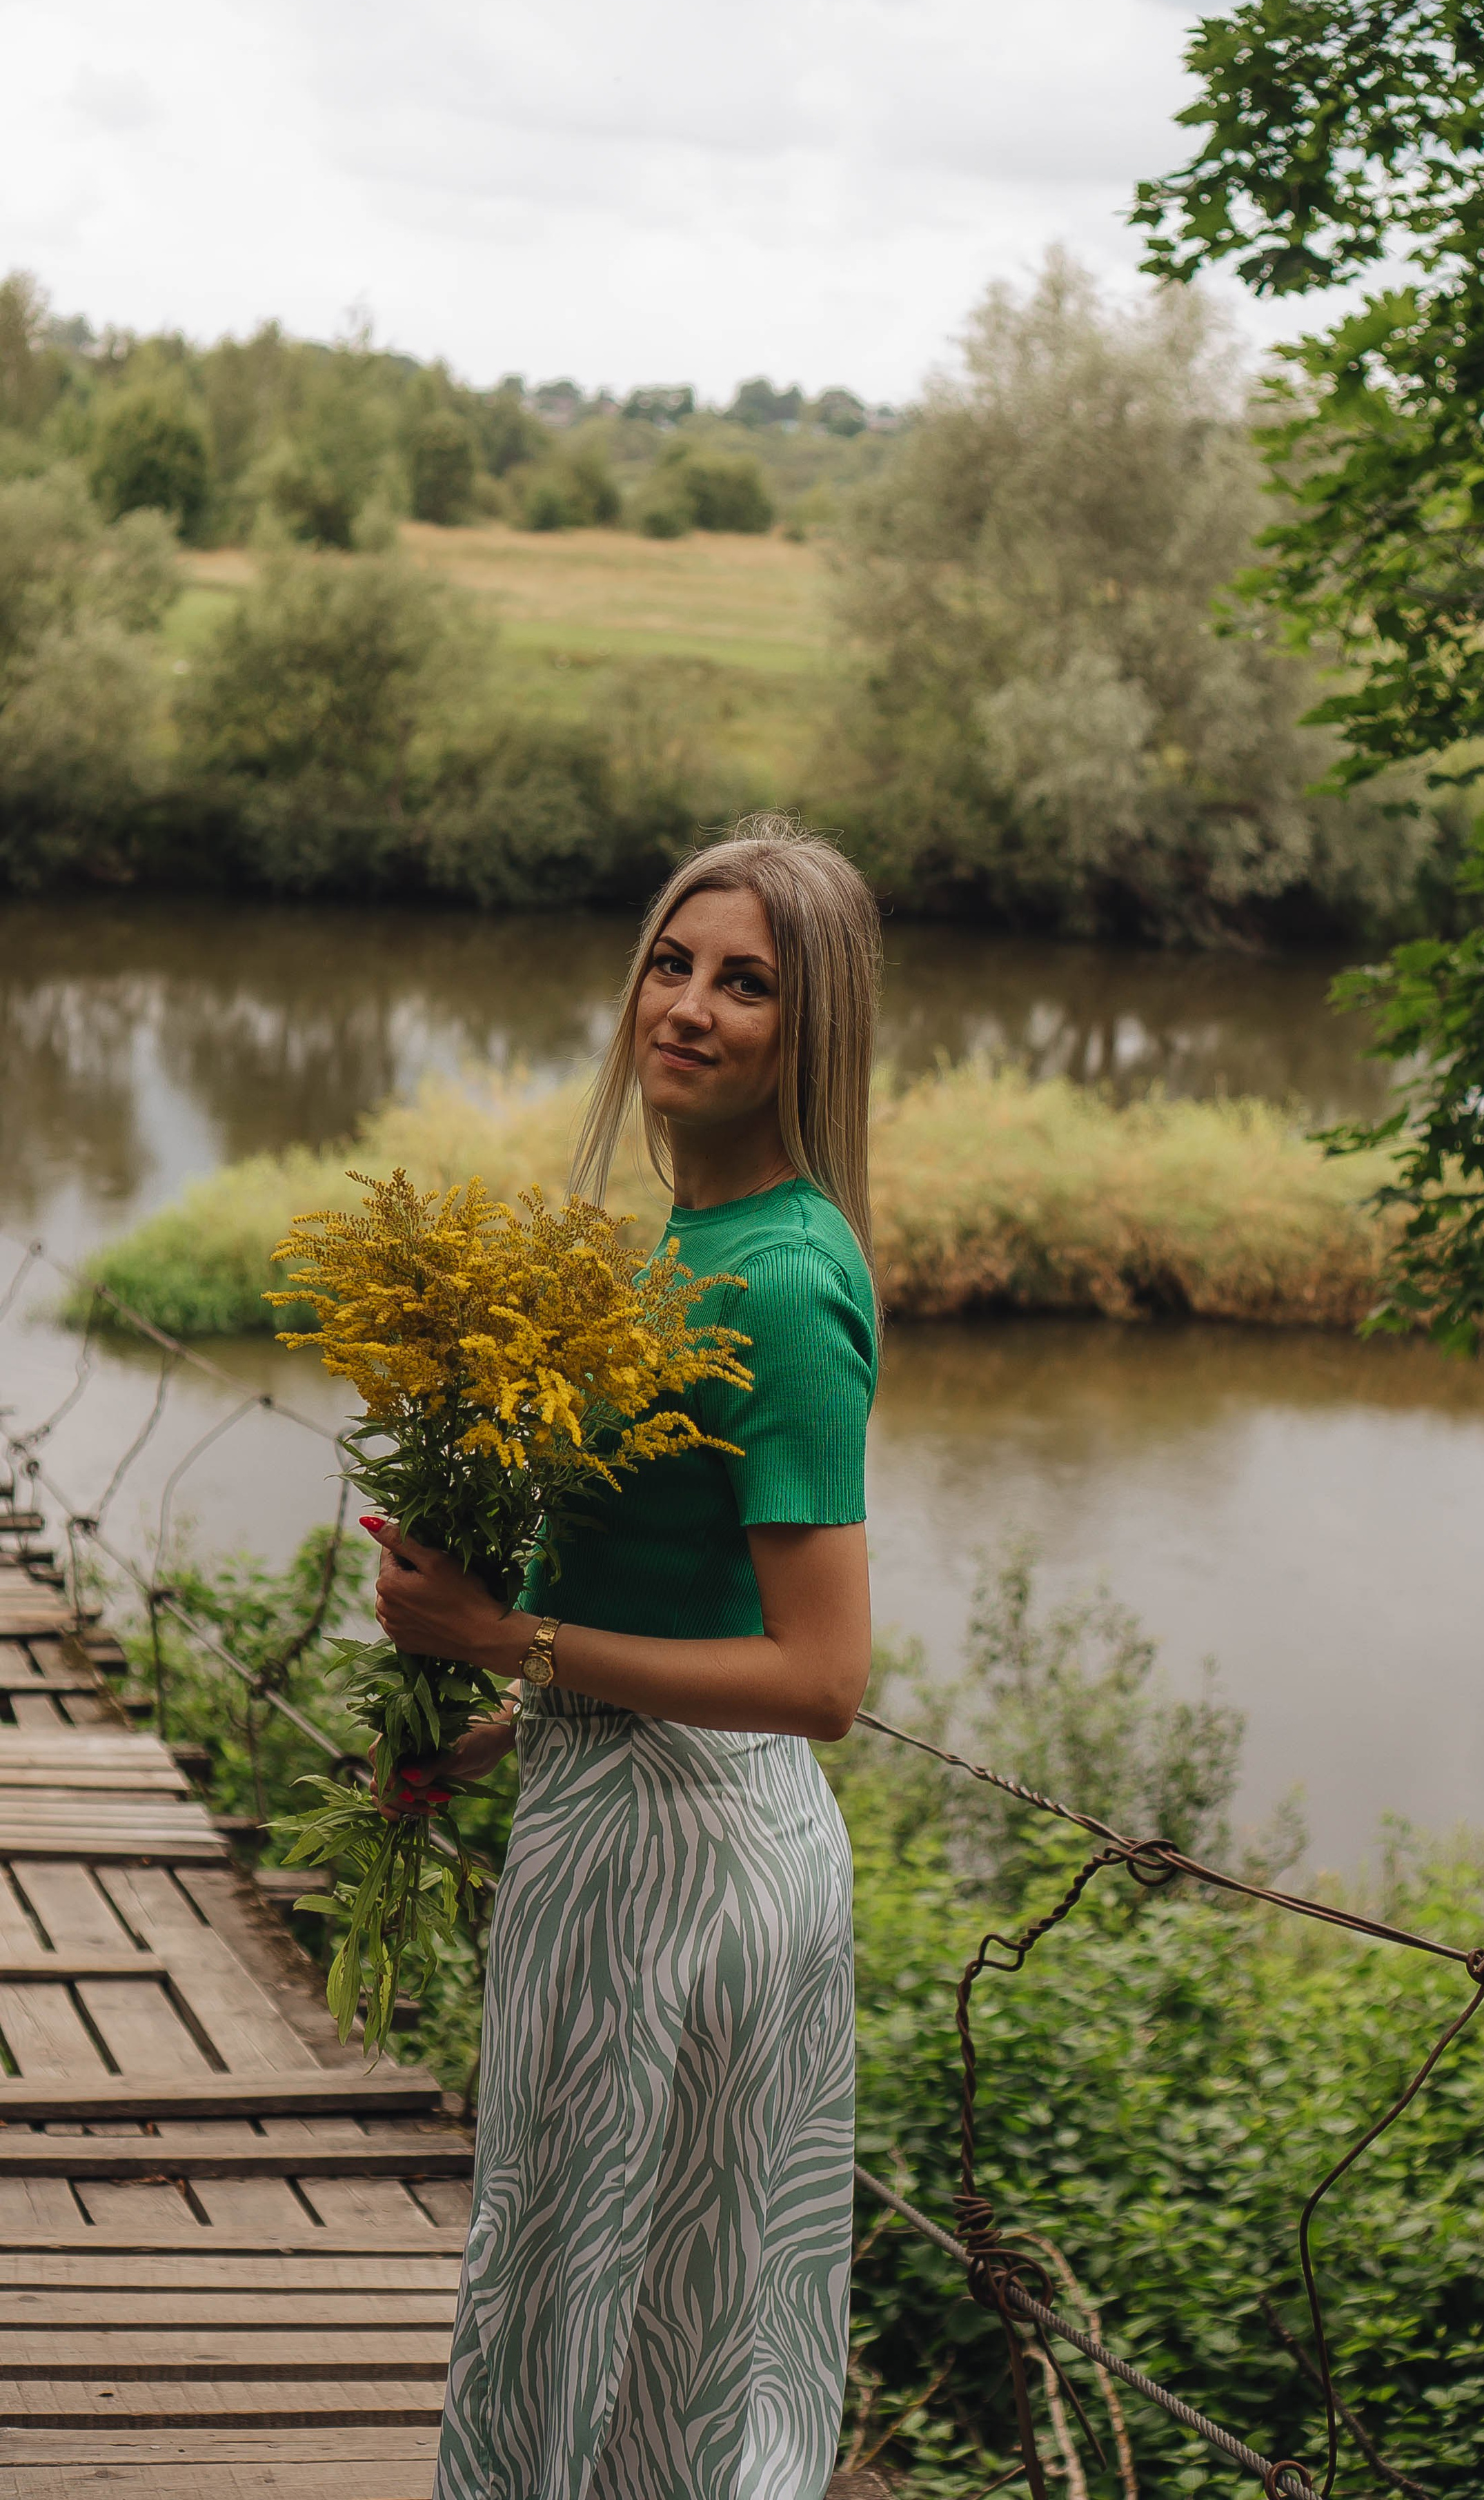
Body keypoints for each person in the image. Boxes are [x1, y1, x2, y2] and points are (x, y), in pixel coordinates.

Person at [367, 816, 881, 2500]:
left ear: (814, 1029)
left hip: (694, 1865)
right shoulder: (680, 1240)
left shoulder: (782, 1280)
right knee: (595, 2298)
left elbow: (819, 1681)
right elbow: (667, 1592)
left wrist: (499, 1634)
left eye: (747, 984)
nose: (688, 1007)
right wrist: (483, 1721)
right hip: (611, 1832)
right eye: (671, 964)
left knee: (649, 2335)